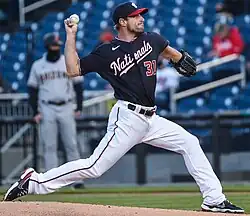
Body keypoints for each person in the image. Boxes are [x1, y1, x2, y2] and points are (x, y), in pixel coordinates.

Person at [3, 2, 244, 213]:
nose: (141, 18)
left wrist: (180, 59)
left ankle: (214, 200)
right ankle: (34, 182)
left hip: (151, 118)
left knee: (190, 142)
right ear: (122, 22)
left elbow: (172, 54)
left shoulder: (153, 39)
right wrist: (71, 36)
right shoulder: (106, 53)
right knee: (94, 167)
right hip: (127, 118)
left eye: (141, 15)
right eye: (136, 16)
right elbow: (73, 69)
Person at [26, 32, 84, 174]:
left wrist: (79, 107)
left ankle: (76, 179)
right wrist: (35, 111)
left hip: (66, 106)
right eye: (53, 45)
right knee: (49, 146)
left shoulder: (67, 61)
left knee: (71, 144)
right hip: (47, 107)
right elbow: (32, 90)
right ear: (47, 46)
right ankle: (51, 180)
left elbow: (78, 85)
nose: (55, 48)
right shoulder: (38, 65)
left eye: (57, 45)